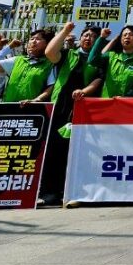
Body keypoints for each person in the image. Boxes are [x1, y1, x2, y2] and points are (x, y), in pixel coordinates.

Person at [41, 22, 100, 207]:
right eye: (86, 35)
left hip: (86, 108)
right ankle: (51, 192)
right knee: (55, 148)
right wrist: (66, 30)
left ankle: (76, 191)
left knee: (81, 151)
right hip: (62, 106)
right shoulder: (68, 54)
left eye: (94, 36)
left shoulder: (99, 59)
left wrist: (85, 91)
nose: (89, 38)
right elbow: (50, 53)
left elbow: (99, 79)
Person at [80, 26, 133, 98]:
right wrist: (102, 37)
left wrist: (126, 97)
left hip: (129, 102)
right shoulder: (110, 55)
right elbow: (92, 60)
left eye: (131, 35)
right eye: (124, 35)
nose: (127, 37)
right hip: (107, 101)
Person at [0, 29, 58, 104]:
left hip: (31, 108)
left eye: (38, 39)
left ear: (48, 44)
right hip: (8, 106)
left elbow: (51, 86)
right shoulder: (18, 60)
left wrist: (37, 100)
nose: (33, 41)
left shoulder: (50, 64)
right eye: (31, 39)